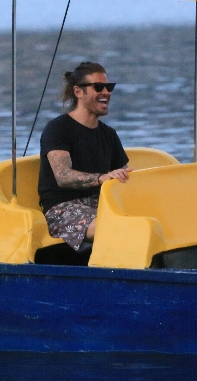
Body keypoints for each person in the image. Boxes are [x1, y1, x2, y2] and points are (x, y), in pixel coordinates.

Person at [38, 62, 131, 251]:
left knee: (151, 221)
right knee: (117, 228)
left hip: (100, 204)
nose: (106, 92)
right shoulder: (58, 128)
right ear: (78, 92)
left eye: (109, 87)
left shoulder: (109, 134)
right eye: (98, 87)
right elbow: (63, 176)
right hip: (62, 210)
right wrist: (101, 178)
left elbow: (124, 175)